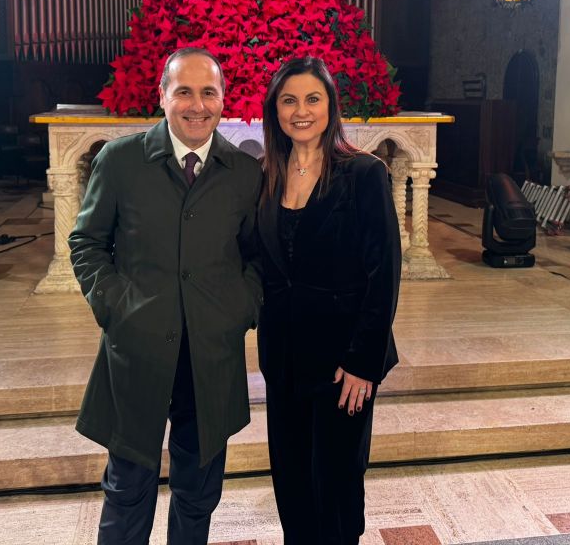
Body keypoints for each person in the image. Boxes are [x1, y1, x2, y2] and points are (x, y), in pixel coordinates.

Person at [69, 47, 263, 545]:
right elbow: (87, 243)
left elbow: (259, 257)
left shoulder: (245, 172)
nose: (197, 105)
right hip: (138, 348)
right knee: (127, 489)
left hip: (211, 353)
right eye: (184, 92)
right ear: (162, 96)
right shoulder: (120, 161)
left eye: (209, 92)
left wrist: (239, 309)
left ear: (223, 99)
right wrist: (117, 308)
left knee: (199, 492)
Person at [256, 56, 402, 545]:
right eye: (289, 100)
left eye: (312, 99)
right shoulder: (265, 175)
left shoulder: (363, 174)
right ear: (275, 110)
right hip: (284, 357)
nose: (301, 111)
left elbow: (384, 273)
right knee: (292, 484)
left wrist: (363, 361)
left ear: (330, 105)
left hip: (344, 363)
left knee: (336, 489)